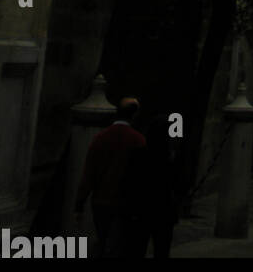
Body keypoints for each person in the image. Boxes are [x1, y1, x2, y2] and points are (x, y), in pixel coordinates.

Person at [74, 97, 146, 257]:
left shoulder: (100, 138)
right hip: (125, 202)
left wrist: (79, 203)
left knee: (103, 237)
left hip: (101, 200)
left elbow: (89, 173)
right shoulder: (138, 140)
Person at [123, 113, 181, 258]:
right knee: (161, 250)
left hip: (142, 209)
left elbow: (129, 182)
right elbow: (178, 184)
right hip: (164, 210)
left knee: (138, 248)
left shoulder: (138, 155)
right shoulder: (170, 158)